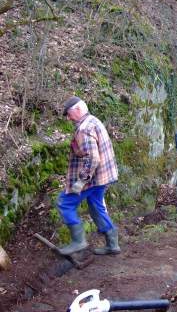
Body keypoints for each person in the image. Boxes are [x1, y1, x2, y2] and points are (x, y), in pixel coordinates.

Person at [57, 96, 120, 256]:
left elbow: (93, 158)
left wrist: (81, 181)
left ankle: (79, 241)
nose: (68, 118)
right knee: (96, 207)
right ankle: (112, 244)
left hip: (91, 179)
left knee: (64, 203)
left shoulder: (84, 128)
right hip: (103, 176)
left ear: (78, 110)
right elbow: (92, 151)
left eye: (69, 114)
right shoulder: (93, 120)